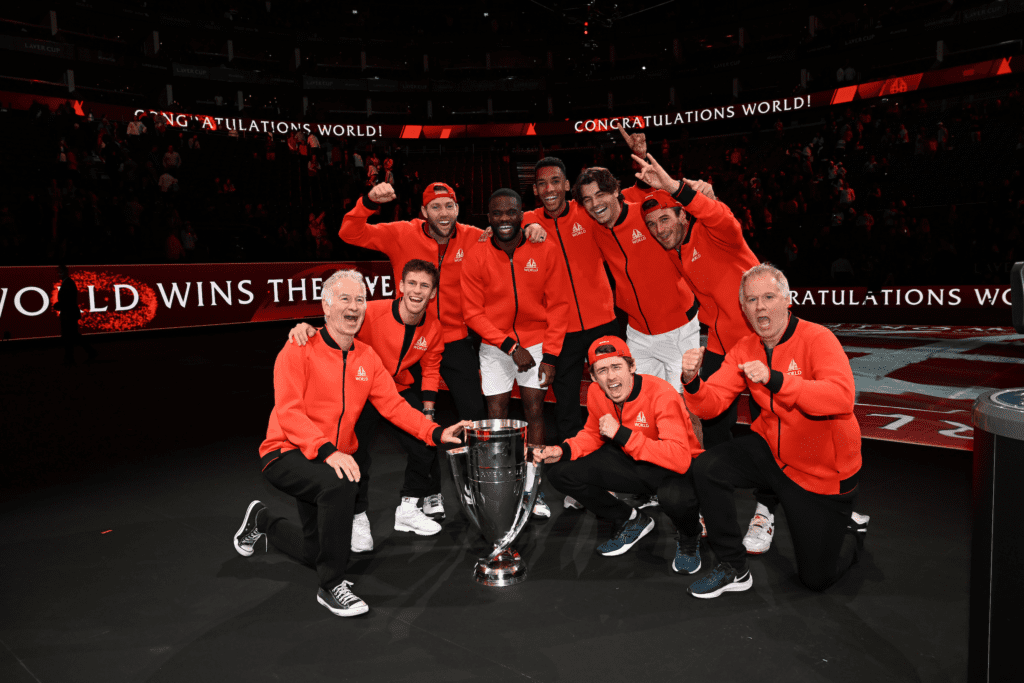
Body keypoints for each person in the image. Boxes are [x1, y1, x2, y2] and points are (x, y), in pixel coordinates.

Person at [232, 270, 471, 617]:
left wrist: (434, 432)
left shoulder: (367, 357)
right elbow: (288, 412)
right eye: (344, 299)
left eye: (359, 300)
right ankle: (331, 587)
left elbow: (393, 405)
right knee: (342, 483)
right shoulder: (298, 348)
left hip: (327, 458)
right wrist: (328, 451)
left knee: (318, 551)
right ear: (326, 307)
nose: (354, 307)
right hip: (285, 451)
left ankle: (262, 521)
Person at [681, 264, 866, 599]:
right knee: (708, 467)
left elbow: (841, 399)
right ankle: (733, 567)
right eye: (751, 300)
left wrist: (775, 379)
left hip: (820, 471)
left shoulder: (817, 338)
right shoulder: (744, 347)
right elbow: (710, 405)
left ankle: (848, 531)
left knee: (816, 580)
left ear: (787, 299)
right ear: (744, 308)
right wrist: (692, 381)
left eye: (768, 296)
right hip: (771, 453)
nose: (760, 306)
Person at [632, 152, 781, 554]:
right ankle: (716, 501)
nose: (660, 229)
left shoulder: (715, 233)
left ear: (683, 216)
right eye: (651, 225)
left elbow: (721, 217)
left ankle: (767, 511)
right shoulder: (675, 252)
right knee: (709, 420)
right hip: (721, 346)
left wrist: (674, 186)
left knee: (776, 426)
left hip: (765, 341)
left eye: (665, 219)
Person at [287, 260, 448, 549]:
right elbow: (337, 327)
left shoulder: (434, 327)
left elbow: (432, 369)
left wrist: (428, 411)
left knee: (425, 444)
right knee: (356, 453)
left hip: (395, 389)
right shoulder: (370, 311)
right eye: (411, 283)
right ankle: (357, 516)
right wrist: (308, 328)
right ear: (400, 286)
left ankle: (408, 509)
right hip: (361, 388)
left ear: (433, 293)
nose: (416, 290)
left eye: (424, 285)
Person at [534, 336, 703, 572]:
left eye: (617, 367)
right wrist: (561, 450)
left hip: (675, 468)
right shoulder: (596, 392)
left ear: (632, 367)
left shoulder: (661, 393)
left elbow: (680, 458)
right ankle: (631, 519)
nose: (611, 377)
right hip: (633, 460)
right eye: (602, 370)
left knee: (674, 497)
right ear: (592, 376)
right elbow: (593, 433)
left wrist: (623, 435)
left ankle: (689, 537)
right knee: (561, 472)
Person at [571, 167, 702, 399]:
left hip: (678, 327)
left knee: (685, 407)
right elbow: (557, 217)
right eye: (588, 199)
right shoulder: (594, 227)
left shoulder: (645, 215)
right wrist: (532, 225)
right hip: (638, 334)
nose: (595, 203)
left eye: (600, 194)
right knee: (644, 404)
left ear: (615, 191)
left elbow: (684, 214)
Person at [461, 188, 571, 448]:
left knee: (534, 411)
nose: (504, 219)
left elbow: (558, 306)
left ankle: (533, 478)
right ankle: (499, 479)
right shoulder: (476, 255)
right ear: (488, 217)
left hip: (536, 342)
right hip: (495, 344)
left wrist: (551, 355)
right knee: (496, 413)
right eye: (497, 213)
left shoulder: (545, 248)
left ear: (522, 214)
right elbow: (472, 314)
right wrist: (510, 346)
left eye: (511, 212)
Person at [522, 157, 618, 443]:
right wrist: (526, 228)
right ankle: (574, 462)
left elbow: (619, 202)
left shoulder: (587, 210)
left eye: (555, 181)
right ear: (536, 190)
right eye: (542, 183)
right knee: (566, 405)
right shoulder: (528, 220)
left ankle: (619, 456)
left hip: (603, 321)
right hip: (561, 331)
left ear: (566, 185)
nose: (549, 188)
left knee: (614, 392)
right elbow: (499, 227)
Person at [53, 264, 95, 365]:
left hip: (68, 314)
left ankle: (71, 357)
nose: (59, 274)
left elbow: (68, 300)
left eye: (60, 272)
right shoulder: (68, 283)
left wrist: (58, 305)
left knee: (69, 336)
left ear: (65, 272)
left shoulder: (67, 283)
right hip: (69, 313)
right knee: (72, 336)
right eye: (58, 272)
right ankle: (74, 356)